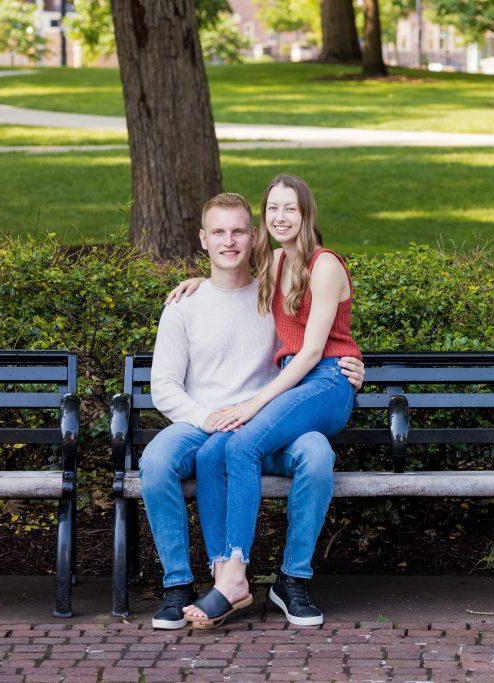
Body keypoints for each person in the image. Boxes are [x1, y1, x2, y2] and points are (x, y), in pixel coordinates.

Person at [142, 191, 364, 630]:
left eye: (239, 231)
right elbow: (163, 387)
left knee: (317, 453)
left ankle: (293, 580)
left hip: (269, 420)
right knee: (155, 462)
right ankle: (179, 585)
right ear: (203, 240)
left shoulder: (275, 291)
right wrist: (208, 418)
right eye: (219, 233)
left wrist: (349, 368)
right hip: (202, 421)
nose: (230, 242)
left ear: (253, 235)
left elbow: (316, 340)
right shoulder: (185, 304)